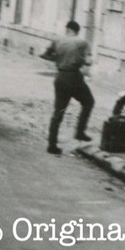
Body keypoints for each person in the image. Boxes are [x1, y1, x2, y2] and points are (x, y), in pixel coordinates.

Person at [41, 20, 94, 155]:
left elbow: (45, 55)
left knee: (58, 112)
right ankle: (80, 132)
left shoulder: (57, 40)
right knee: (88, 102)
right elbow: (88, 62)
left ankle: (52, 145)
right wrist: (80, 60)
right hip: (74, 77)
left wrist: (59, 60)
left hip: (60, 77)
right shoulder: (82, 42)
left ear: (68, 29)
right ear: (77, 31)